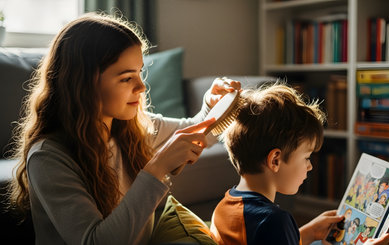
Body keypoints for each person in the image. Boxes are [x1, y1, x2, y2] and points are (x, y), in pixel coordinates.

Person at [7, 12, 240, 244]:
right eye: (126, 78)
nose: (141, 86)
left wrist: (211, 105)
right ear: (83, 84)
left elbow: (198, 133)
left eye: (139, 72)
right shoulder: (49, 158)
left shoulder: (134, 127)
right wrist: (157, 168)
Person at [209, 84, 389, 245]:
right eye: (306, 158)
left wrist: (308, 233)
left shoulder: (224, 207)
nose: (310, 166)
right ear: (275, 160)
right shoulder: (274, 221)